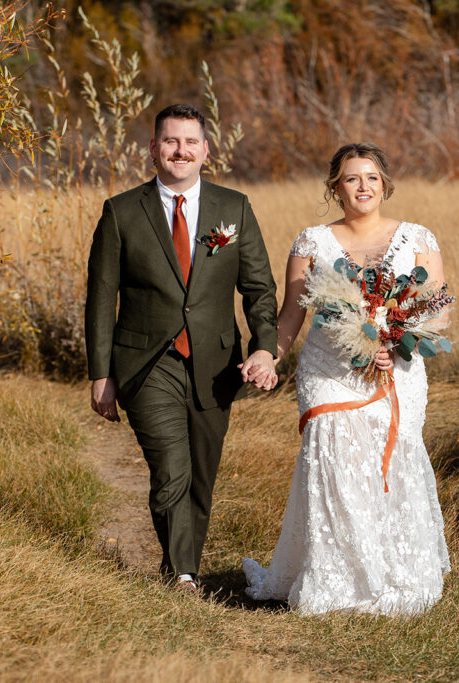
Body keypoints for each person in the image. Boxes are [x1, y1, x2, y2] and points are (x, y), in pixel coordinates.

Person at [242, 143, 451, 615]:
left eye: (372, 177)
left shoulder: (418, 238)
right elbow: (290, 316)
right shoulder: (311, 242)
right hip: (329, 370)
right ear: (335, 186)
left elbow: (433, 308)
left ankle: (392, 572)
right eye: (352, 178)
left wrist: (392, 341)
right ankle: (338, 577)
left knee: (391, 459)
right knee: (334, 458)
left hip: (395, 371)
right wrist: (267, 356)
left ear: (385, 185)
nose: (363, 186)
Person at [85, 104, 279, 594]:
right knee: (170, 467)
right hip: (146, 362)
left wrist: (265, 348)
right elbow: (101, 296)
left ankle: (184, 564)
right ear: (153, 149)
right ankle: (183, 576)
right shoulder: (121, 212)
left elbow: (258, 288)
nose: (180, 151)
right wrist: (100, 373)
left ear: (206, 150)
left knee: (200, 472)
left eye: (190, 142)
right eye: (170, 142)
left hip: (216, 364)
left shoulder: (232, 208)